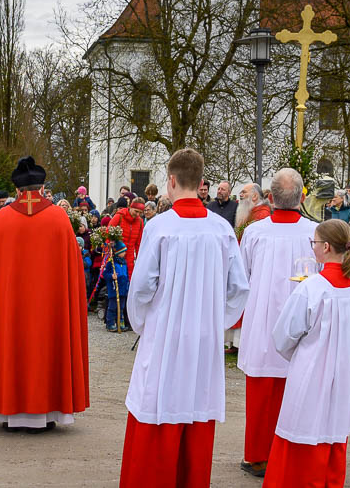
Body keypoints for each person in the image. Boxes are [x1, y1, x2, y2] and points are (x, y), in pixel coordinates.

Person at [120, 148, 250, 488]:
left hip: (164, 336)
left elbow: (142, 287)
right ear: (202, 183)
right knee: (196, 410)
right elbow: (239, 287)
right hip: (204, 340)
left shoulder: (160, 227)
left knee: (158, 407)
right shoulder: (221, 229)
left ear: (172, 181)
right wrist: (214, 320)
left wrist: (145, 324)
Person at [0, 157, 91, 432]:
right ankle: (49, 411)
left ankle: (9, 410)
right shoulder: (59, 218)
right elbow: (73, 271)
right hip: (50, 309)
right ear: (43, 187)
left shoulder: (0, 219)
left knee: (10, 341)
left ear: (17, 190)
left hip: (9, 309)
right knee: (48, 343)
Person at [262, 219, 350, 488]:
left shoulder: (312, 287)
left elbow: (283, 336)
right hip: (346, 373)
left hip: (312, 372)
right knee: (334, 430)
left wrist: (301, 358)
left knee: (304, 429)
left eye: (314, 243)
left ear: (324, 247)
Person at [232, 168, 319, 477]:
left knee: (261, 393)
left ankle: (258, 456)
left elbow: (243, 277)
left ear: (270, 197)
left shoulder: (255, 232)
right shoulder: (315, 232)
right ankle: (292, 455)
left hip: (263, 322)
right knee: (298, 390)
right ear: (301, 197)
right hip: (303, 325)